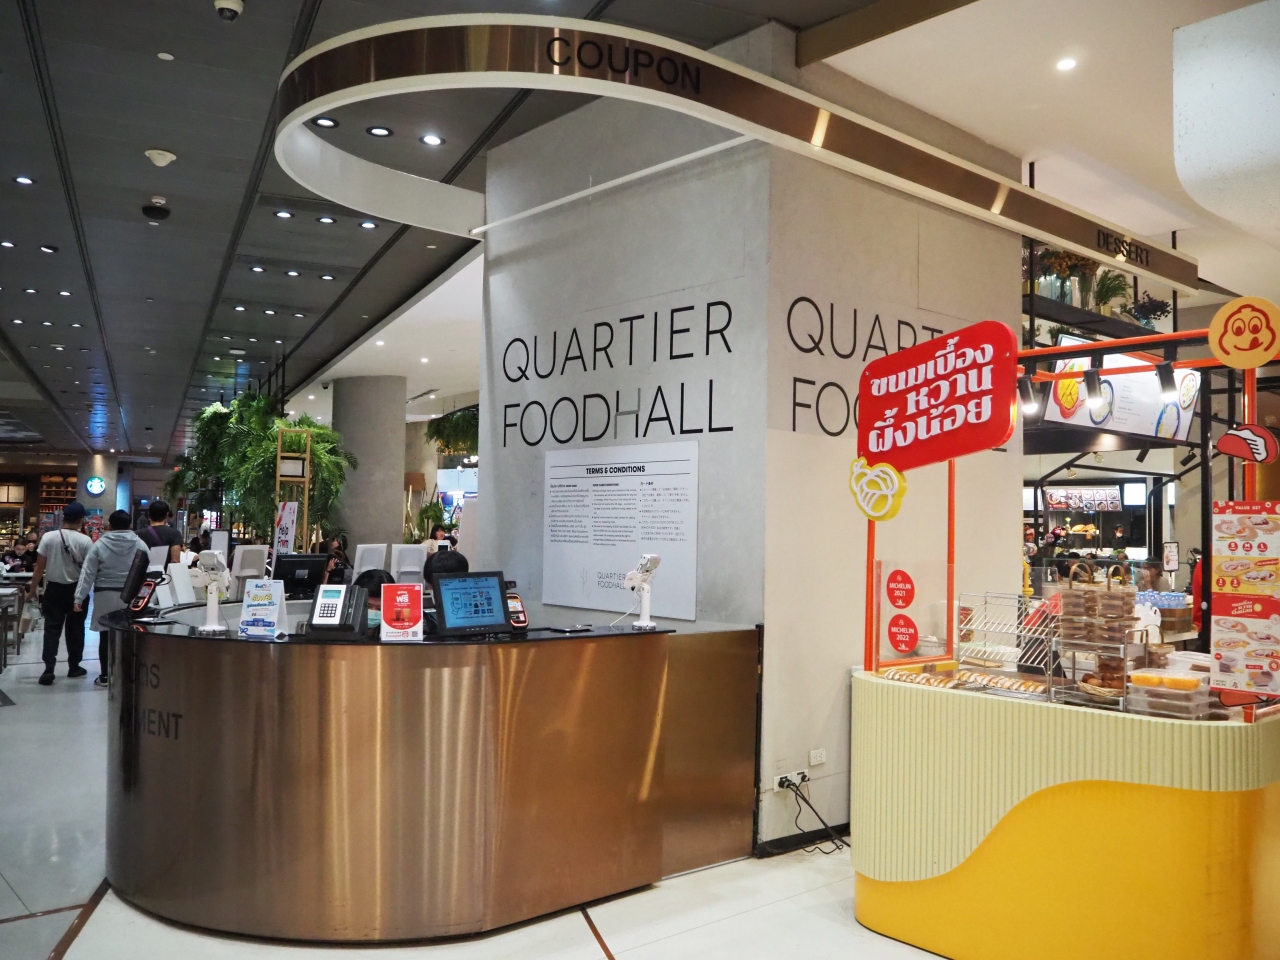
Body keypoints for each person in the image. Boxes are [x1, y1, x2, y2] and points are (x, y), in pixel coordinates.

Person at [74, 510, 146, 687]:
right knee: (129, 635)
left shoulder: (99, 545)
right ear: (130, 525)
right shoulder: (140, 543)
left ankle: (105, 676)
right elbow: (147, 571)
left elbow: (87, 573)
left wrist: (79, 597)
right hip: (130, 595)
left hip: (104, 594)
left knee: (105, 635)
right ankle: (128, 675)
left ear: (110, 525)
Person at [29, 502, 93, 685]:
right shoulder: (85, 541)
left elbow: (39, 567)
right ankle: (74, 667)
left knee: (51, 630)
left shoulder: (48, 537)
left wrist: (32, 590)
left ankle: (48, 669)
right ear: (81, 520)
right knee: (76, 630)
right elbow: (89, 570)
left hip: (54, 590)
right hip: (77, 591)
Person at [138, 500, 183, 566]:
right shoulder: (174, 533)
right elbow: (175, 560)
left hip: (143, 572)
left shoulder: (138, 534)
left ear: (149, 514)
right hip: (164, 572)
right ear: (167, 515)